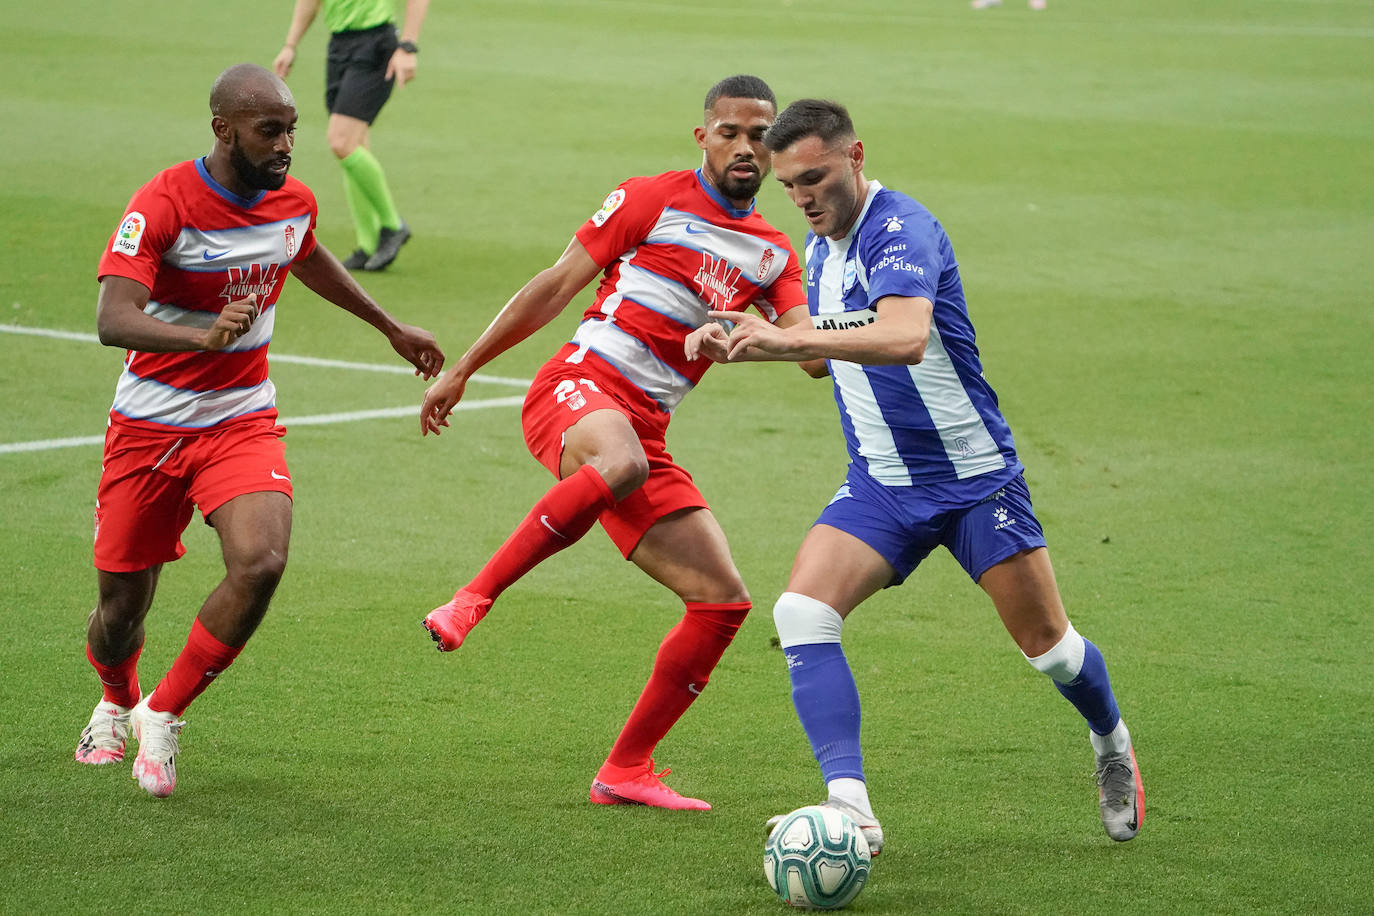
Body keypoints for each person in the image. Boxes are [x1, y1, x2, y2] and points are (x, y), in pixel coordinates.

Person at [686, 99, 1143, 851]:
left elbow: (902, 335)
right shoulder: (818, 248)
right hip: (880, 484)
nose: (804, 197)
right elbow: (813, 354)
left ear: (855, 156)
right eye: (790, 184)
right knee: (802, 613)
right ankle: (851, 807)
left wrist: (790, 333)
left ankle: (1111, 741)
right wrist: (743, 332)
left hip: (972, 480)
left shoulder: (902, 230)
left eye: (817, 178)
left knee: (1050, 648)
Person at [418, 75, 809, 811]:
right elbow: (556, 283)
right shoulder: (648, 198)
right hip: (577, 388)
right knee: (619, 460)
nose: (746, 147)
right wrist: (464, 369)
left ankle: (625, 771)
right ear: (704, 137)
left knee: (721, 602)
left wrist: (750, 331)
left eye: (761, 135)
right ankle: (474, 598)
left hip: (643, 432)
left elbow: (812, 352)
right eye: (731, 131)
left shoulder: (773, 255)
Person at [74, 63, 445, 798]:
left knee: (262, 560)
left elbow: (303, 253)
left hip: (242, 419)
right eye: (269, 131)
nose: (285, 146)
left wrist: (389, 326)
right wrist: (204, 337)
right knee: (121, 609)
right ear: (223, 130)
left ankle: (165, 712)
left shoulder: (292, 201)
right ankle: (117, 698)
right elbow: (113, 318)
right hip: (149, 427)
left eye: (292, 131)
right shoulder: (164, 203)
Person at [273, 0, 430, 271]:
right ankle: (367, 245)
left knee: (341, 142)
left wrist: (407, 46)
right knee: (354, 145)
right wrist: (290, 45)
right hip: (339, 47)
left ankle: (393, 225)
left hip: (377, 45)